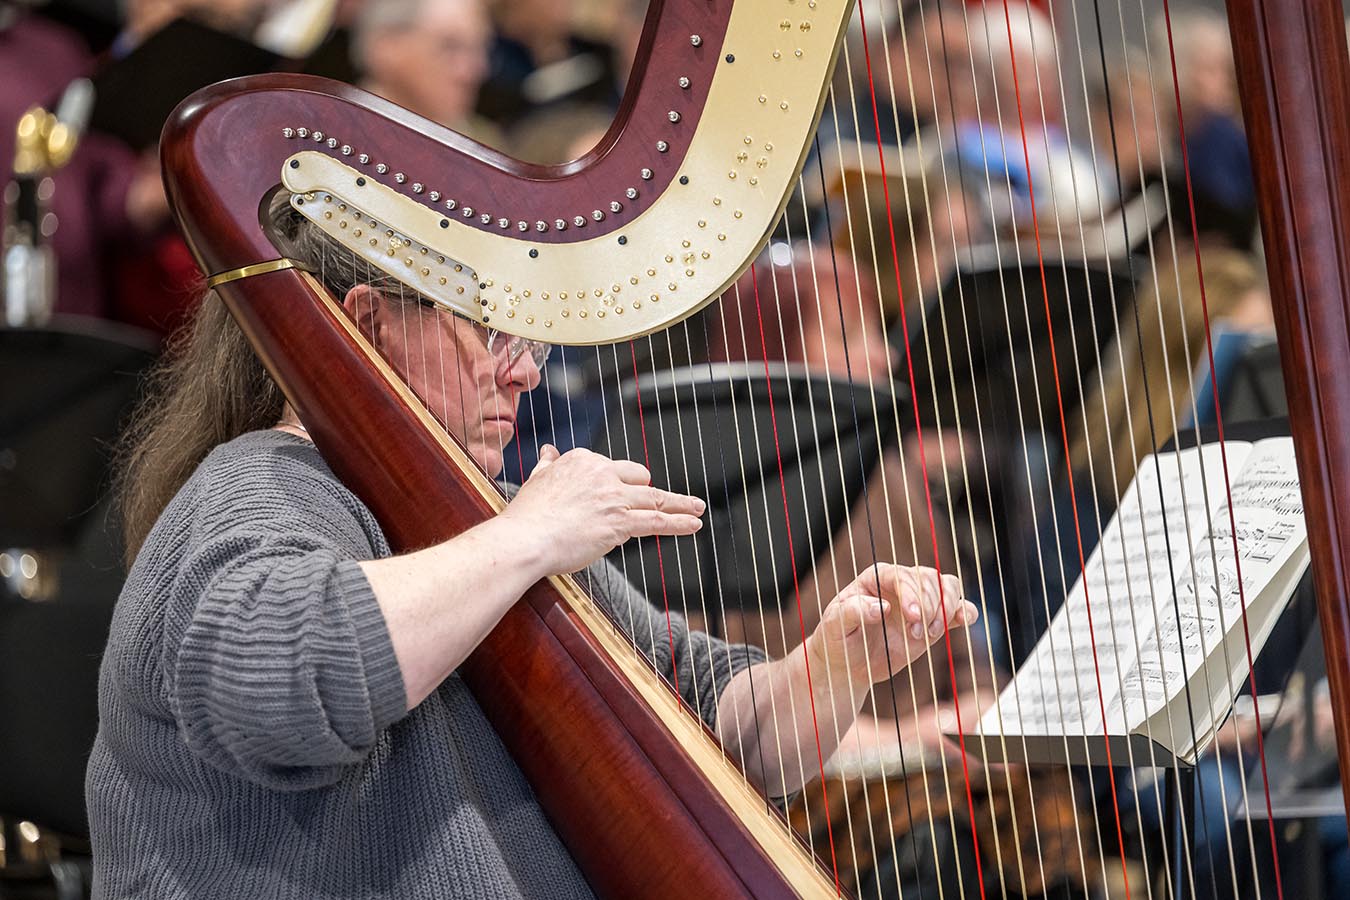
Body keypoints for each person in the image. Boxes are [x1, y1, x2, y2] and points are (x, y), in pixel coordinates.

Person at [85, 198, 980, 897]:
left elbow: (720, 725)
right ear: (368, 324)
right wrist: (527, 537)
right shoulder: (258, 486)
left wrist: (835, 664)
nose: (522, 370)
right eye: (490, 332)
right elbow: (277, 683)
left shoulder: (492, 521)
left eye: (530, 340)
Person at [351, 0, 502, 146]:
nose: (475, 70)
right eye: (450, 46)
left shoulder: (487, 143)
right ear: (387, 47)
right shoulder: (343, 134)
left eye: (482, 49)